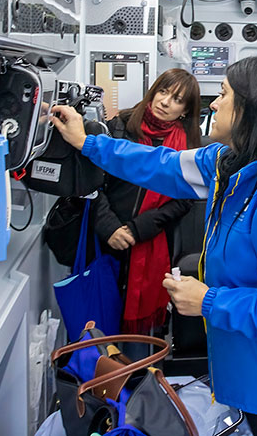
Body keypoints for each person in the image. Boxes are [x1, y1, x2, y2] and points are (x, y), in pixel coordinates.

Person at [50, 56, 257, 436]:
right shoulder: (230, 164)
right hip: (246, 368)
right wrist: (88, 142)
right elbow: (160, 164)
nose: (214, 104)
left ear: (252, 110)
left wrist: (207, 301)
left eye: (223, 95)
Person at [89, 69, 201, 352]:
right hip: (106, 242)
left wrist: (138, 228)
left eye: (176, 99)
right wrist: (110, 227)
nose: (165, 102)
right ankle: (101, 385)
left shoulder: (187, 143)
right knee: (100, 321)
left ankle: (139, 386)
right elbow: (91, 183)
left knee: (141, 339)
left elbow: (185, 198)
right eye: (162, 92)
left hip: (152, 240)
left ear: (185, 110)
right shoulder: (119, 126)